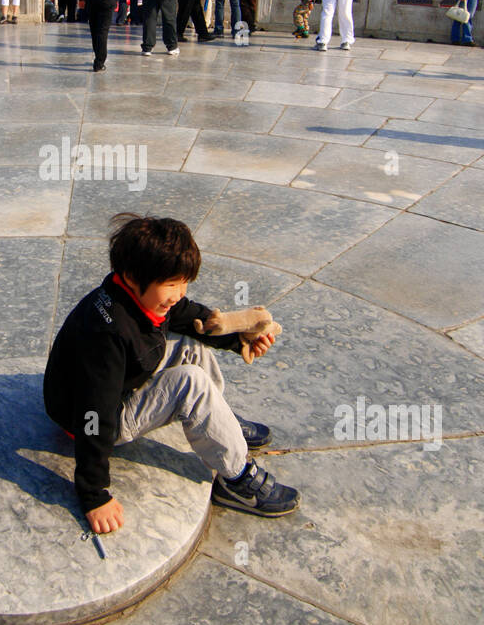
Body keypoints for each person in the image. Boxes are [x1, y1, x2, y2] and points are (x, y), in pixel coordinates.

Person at [43, 214, 299, 534]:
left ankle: (220, 424)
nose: (179, 293)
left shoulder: (132, 294)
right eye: (171, 284)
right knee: (190, 383)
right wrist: (94, 495)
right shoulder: (106, 337)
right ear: (134, 276)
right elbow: (95, 413)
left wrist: (238, 340)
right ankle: (236, 479)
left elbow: (190, 317)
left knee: (191, 342)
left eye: (183, 282)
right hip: (90, 421)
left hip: (115, 389)